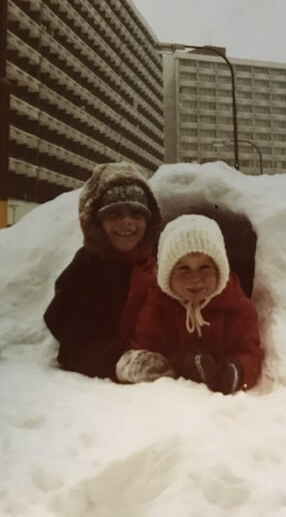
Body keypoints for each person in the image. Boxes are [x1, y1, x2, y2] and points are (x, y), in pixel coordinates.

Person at [115, 214, 264, 393]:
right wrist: (179, 365)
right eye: (183, 268)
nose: (195, 279)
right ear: (167, 275)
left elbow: (251, 354)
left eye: (205, 267)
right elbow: (144, 350)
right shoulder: (156, 308)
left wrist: (239, 369)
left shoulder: (238, 308)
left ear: (220, 271)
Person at [44, 161, 162, 380]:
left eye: (136, 214)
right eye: (114, 215)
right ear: (97, 222)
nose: (126, 223)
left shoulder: (155, 263)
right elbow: (74, 343)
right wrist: (120, 359)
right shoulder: (86, 270)